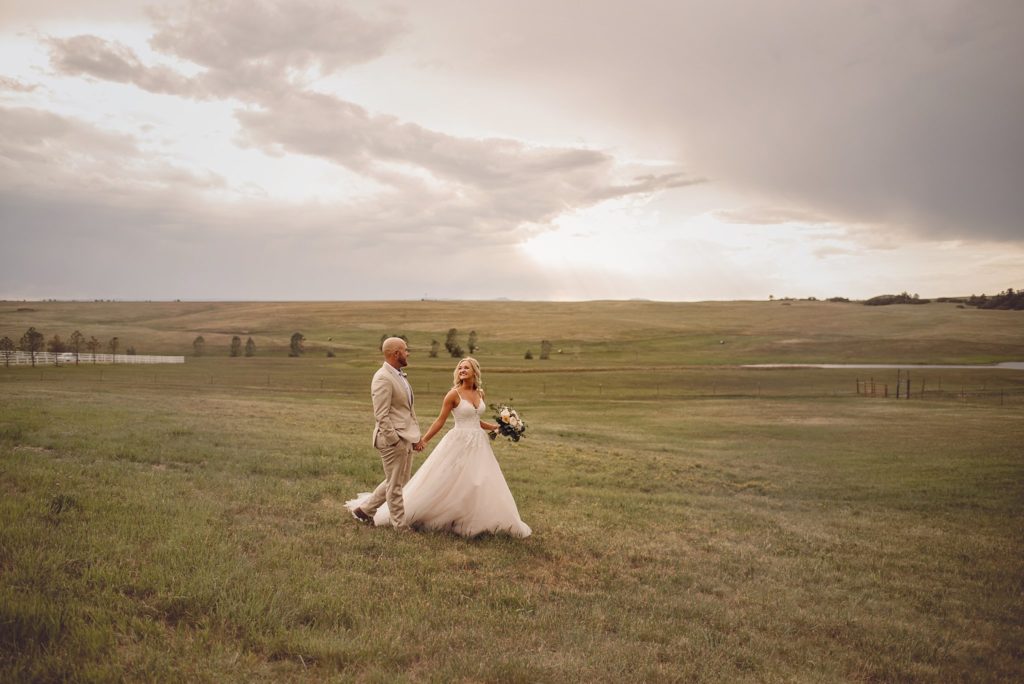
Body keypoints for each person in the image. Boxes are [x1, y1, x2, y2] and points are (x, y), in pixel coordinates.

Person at [348, 357, 531, 538]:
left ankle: (473, 520)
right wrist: (424, 440)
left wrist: (496, 427)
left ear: (475, 371)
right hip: (458, 442)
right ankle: (420, 515)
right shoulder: (453, 394)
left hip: (479, 443)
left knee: (479, 481)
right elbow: (440, 421)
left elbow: (475, 419)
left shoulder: (480, 393)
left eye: (466, 368)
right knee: (448, 480)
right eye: (460, 368)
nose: (462, 371)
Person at [347, 337, 423, 531]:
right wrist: (394, 440)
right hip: (392, 440)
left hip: (405, 437)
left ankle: (364, 511)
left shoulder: (399, 375)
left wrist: (415, 437)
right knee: (396, 485)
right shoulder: (382, 377)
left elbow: (407, 410)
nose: (408, 353)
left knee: (398, 481)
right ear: (396, 353)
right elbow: (381, 414)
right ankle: (400, 527)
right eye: (405, 350)